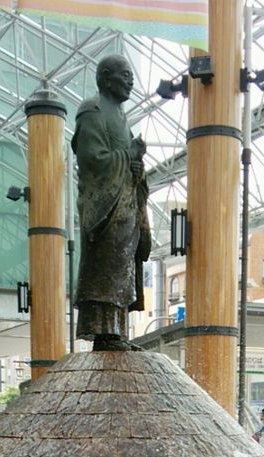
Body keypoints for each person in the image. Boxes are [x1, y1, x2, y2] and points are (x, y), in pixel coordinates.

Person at [72, 54, 151, 352]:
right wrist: (126, 156)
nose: (130, 81)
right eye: (124, 75)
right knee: (105, 268)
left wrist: (135, 169)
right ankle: (104, 333)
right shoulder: (91, 111)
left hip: (126, 206)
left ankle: (117, 331)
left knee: (122, 268)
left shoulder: (120, 116)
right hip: (106, 208)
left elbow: (128, 160)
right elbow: (92, 160)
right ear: (105, 77)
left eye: (131, 76)